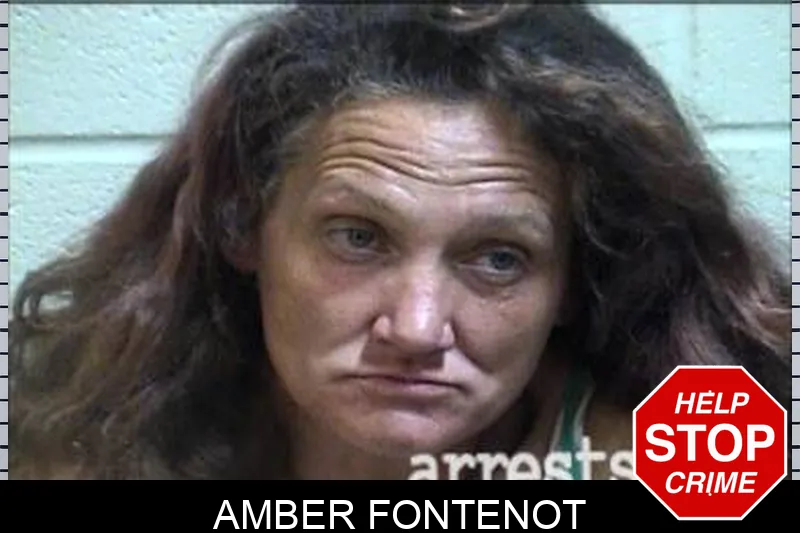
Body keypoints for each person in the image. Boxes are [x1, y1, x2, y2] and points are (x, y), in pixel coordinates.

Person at [9, 3, 791, 480]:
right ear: (243, 224)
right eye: (358, 237)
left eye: (499, 258)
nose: (417, 328)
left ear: (571, 280)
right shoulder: (95, 439)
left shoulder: (673, 465)